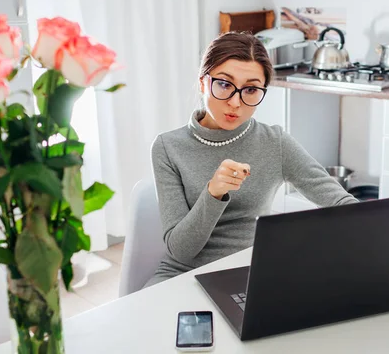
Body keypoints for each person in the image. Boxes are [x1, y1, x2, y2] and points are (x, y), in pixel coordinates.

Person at [144, 32, 358, 288]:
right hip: (182, 275)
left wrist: (378, 229)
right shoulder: (167, 147)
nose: (236, 102)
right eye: (224, 84)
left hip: (249, 275)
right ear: (203, 83)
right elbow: (181, 250)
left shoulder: (274, 141)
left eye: (251, 89)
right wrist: (214, 193)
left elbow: (338, 200)